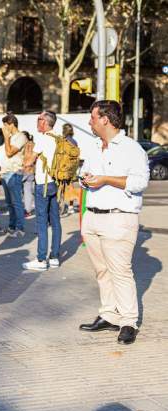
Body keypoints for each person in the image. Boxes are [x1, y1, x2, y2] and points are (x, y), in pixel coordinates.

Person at [78, 100, 149, 345]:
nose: (90, 122)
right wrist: (85, 179)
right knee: (101, 271)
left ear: (105, 120)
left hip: (119, 217)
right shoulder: (94, 146)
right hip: (93, 216)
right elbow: (85, 174)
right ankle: (109, 314)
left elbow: (140, 182)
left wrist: (106, 179)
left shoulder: (132, 148)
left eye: (93, 117)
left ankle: (128, 321)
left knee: (120, 271)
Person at [23, 111, 62, 271]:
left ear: (45, 122)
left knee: (41, 222)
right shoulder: (59, 138)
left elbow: (28, 162)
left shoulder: (43, 139)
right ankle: (54, 257)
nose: (37, 122)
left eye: (39, 119)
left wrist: (28, 160)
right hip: (55, 183)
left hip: (43, 184)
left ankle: (41, 259)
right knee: (55, 221)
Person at [0, 113, 27, 237]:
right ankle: (12, 226)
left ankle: (20, 229)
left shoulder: (20, 137)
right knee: (9, 203)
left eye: (5, 125)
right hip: (6, 172)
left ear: (12, 124)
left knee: (16, 202)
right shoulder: (10, 137)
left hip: (15, 173)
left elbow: (10, 152)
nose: (4, 128)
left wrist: (6, 137)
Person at [22, 131, 36, 216]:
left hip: (23, 169)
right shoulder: (34, 144)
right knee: (28, 191)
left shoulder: (22, 145)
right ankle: (28, 210)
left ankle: (22, 210)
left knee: (19, 191)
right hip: (31, 170)